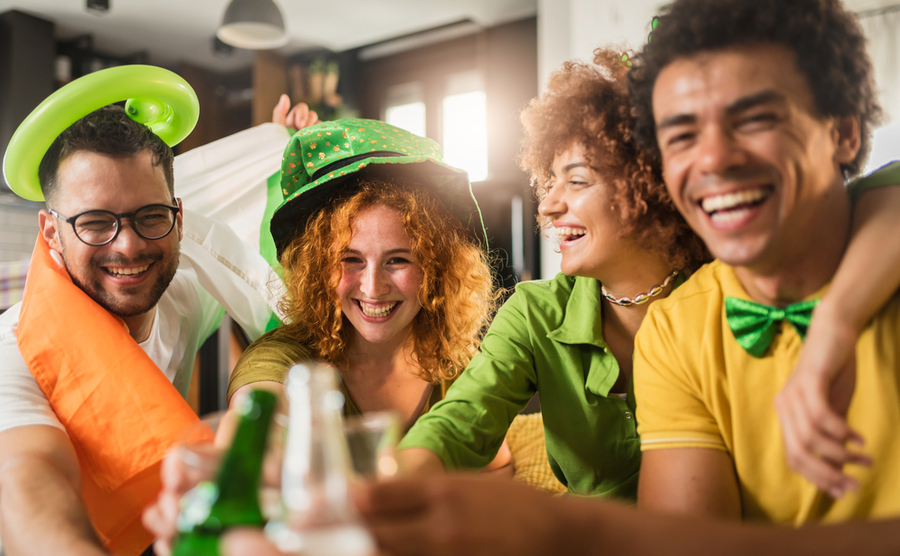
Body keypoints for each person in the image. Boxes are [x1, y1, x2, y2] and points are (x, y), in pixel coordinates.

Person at [627, 0, 900, 523]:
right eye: (682, 136)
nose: (712, 159)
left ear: (844, 132)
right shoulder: (673, 330)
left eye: (754, 119)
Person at [395, 49, 706, 498]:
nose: (547, 205)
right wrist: (393, 479)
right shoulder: (534, 312)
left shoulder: (723, 297)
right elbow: (462, 420)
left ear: (649, 186)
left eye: (576, 181)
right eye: (549, 182)